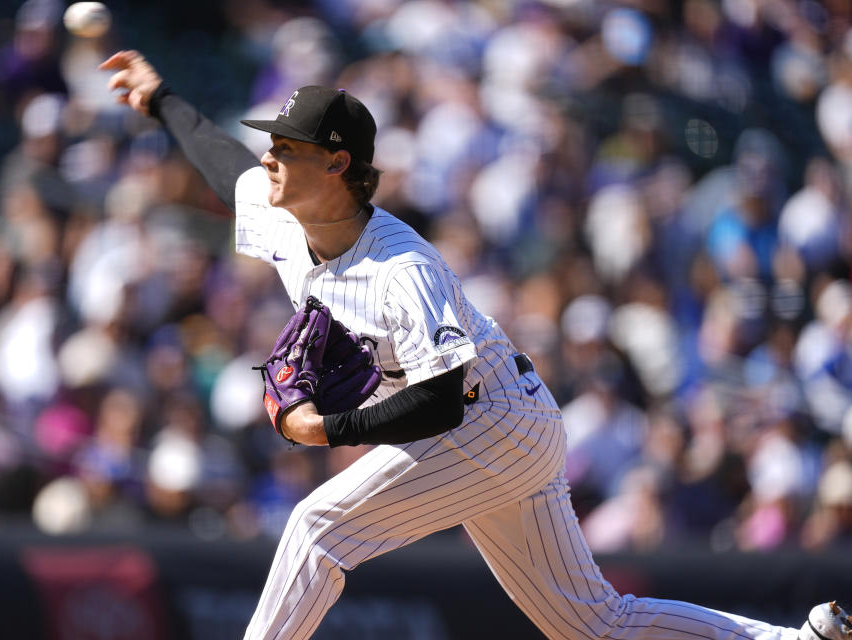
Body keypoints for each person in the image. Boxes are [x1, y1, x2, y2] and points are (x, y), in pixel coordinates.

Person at [100, 50, 849, 640]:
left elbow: (440, 399)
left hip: (481, 419)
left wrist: (329, 430)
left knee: (317, 529)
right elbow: (225, 163)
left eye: (287, 147)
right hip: (510, 419)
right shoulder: (287, 218)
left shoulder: (403, 267)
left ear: (335, 164)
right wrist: (162, 99)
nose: (270, 157)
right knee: (591, 625)